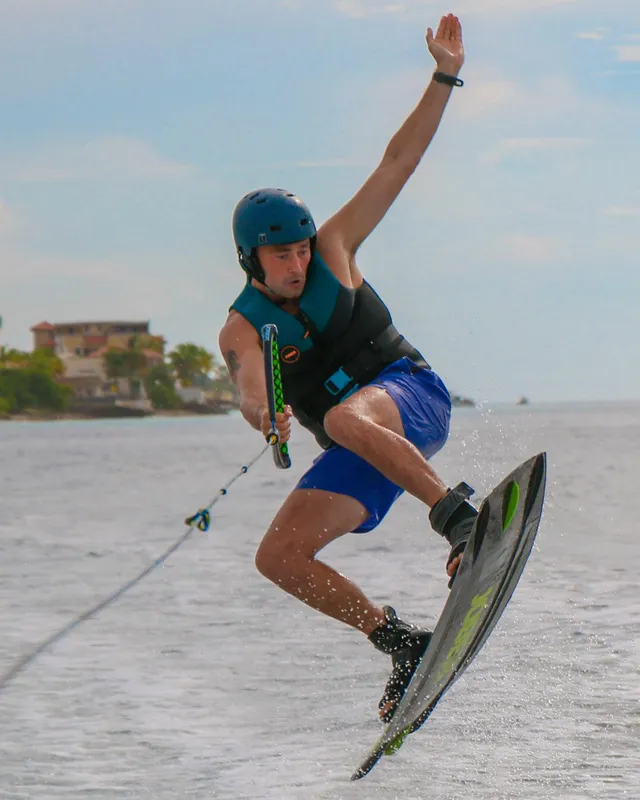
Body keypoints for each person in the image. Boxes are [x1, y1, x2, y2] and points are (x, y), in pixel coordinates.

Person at [219, 14, 478, 723]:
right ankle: (400, 641)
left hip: (410, 399)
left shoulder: (335, 247)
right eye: (282, 256)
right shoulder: (242, 328)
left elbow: (398, 162)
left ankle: (459, 521)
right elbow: (249, 384)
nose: (300, 263)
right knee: (279, 556)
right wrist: (262, 414)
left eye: (301, 250)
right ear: (252, 262)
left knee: (341, 415)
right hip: (360, 443)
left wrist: (444, 76)